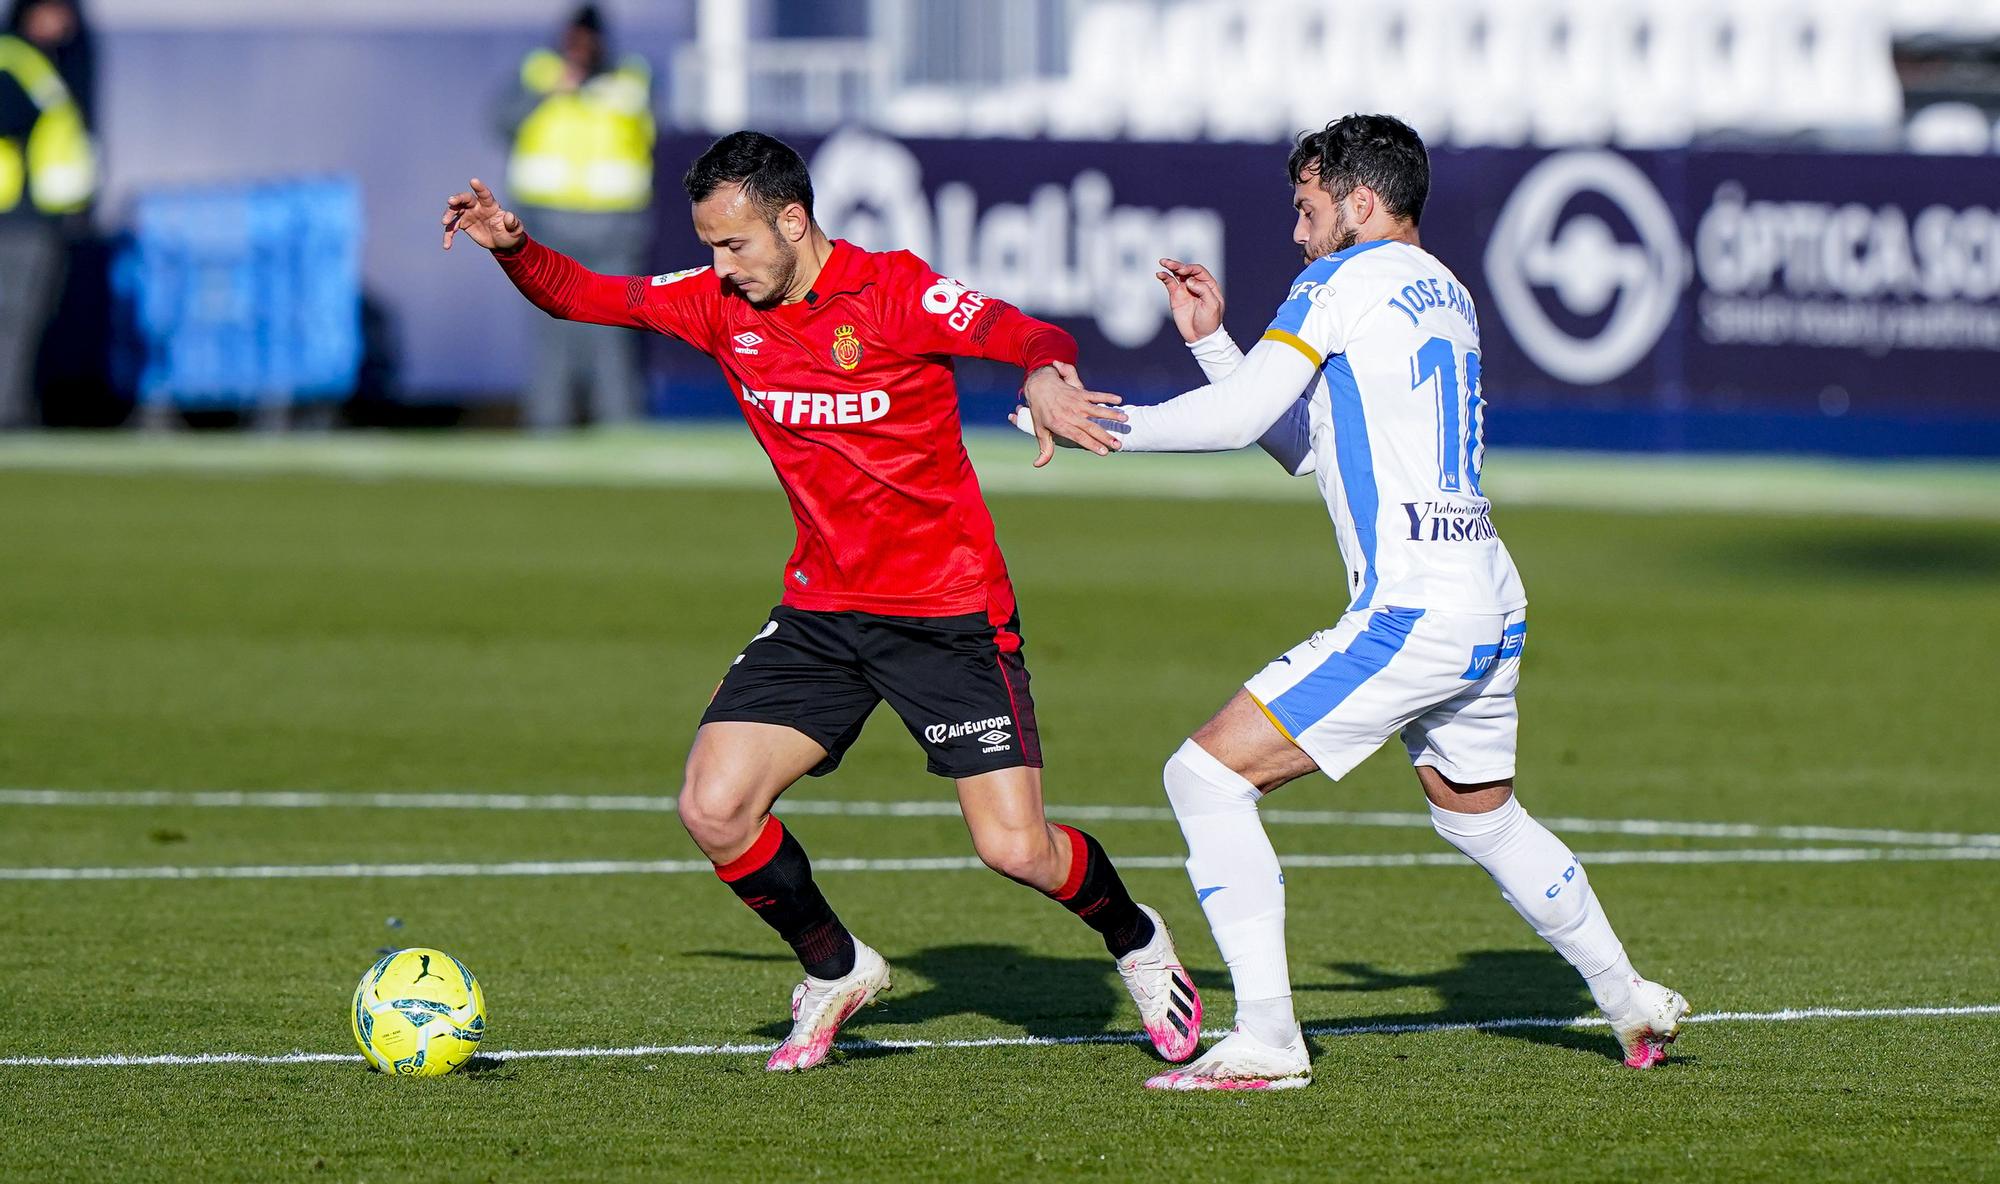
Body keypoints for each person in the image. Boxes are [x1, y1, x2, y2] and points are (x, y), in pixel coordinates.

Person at [439, 130, 1203, 1072]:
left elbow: (1023, 331)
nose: (720, 266)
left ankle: (1135, 939)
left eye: (735, 245)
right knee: (714, 807)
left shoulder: (893, 291)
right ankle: (837, 969)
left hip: (947, 613)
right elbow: (589, 297)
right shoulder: (720, 304)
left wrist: (1045, 373)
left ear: (792, 221)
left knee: (1015, 849)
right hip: (824, 613)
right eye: (710, 246)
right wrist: (513, 247)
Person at [1022, 114, 1687, 1091]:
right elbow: (1309, 447)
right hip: (1487, 596)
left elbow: (1249, 420)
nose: (1295, 233)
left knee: (1203, 778)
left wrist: (1099, 423)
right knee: (1477, 814)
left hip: (1415, 607)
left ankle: (1268, 1038)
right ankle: (1625, 995)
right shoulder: (1443, 291)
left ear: (1359, 203)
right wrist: (1217, 350)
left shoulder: (1339, 281)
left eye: (1305, 208)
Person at [496, 3, 654, 432]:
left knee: (614, 330)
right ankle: (548, 426)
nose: (581, 50)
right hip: (548, 223)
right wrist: (551, 91)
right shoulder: (539, 74)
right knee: (552, 331)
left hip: (615, 227)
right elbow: (500, 121)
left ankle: (619, 428)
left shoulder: (631, 79)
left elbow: (654, 136)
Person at [0, 0, 94, 427]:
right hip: (13, 212)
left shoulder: (48, 64)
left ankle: (15, 405)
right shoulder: (16, 61)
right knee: (11, 316)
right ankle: (8, 410)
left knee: (27, 316)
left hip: (39, 215)